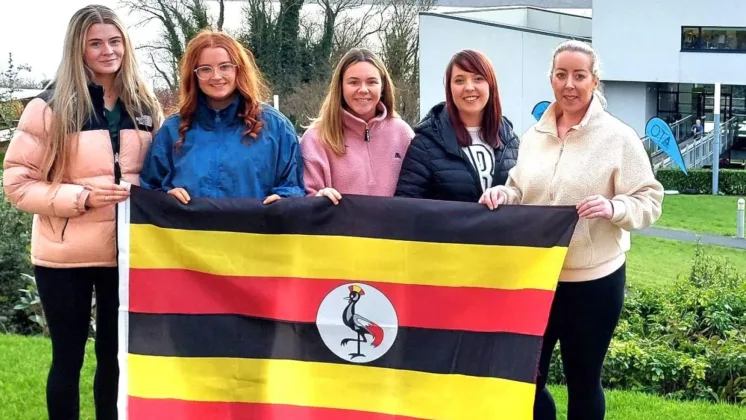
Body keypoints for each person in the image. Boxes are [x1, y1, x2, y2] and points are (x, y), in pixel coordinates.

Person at [479, 40, 664, 420]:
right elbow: (519, 188)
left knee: (583, 382)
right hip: (537, 278)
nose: (569, 84)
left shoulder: (618, 137)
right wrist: (504, 193)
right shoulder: (534, 137)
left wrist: (615, 207)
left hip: (594, 284)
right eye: (561, 75)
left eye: (579, 76)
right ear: (551, 79)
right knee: (526, 381)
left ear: (594, 81)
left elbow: (650, 199)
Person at [2, 5, 163, 419]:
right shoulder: (49, 106)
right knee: (67, 360)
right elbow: (17, 184)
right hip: (63, 257)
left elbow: (159, 173)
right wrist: (81, 198)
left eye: (115, 41)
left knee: (116, 361)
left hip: (126, 255)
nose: (108, 50)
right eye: (96, 43)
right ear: (79, 48)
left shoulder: (143, 105)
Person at [140, 29, 304, 203]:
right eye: (205, 69)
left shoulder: (276, 127)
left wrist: (284, 199)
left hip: (257, 228)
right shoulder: (172, 130)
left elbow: (294, 186)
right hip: (191, 230)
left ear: (238, 70)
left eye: (225, 67)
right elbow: (149, 190)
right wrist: (165, 198)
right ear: (193, 75)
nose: (216, 76)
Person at [394, 49, 519, 202]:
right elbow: (406, 206)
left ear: (491, 85)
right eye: (459, 80)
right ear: (449, 88)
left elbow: (525, 196)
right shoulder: (425, 143)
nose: (469, 87)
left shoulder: (511, 141)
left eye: (478, 78)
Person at [300, 48, 414, 204]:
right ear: (340, 87)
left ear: (382, 87)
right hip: (340, 228)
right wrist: (317, 199)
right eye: (353, 82)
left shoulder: (403, 133)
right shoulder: (316, 138)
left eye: (372, 82)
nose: (363, 90)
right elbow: (302, 199)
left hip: (392, 228)